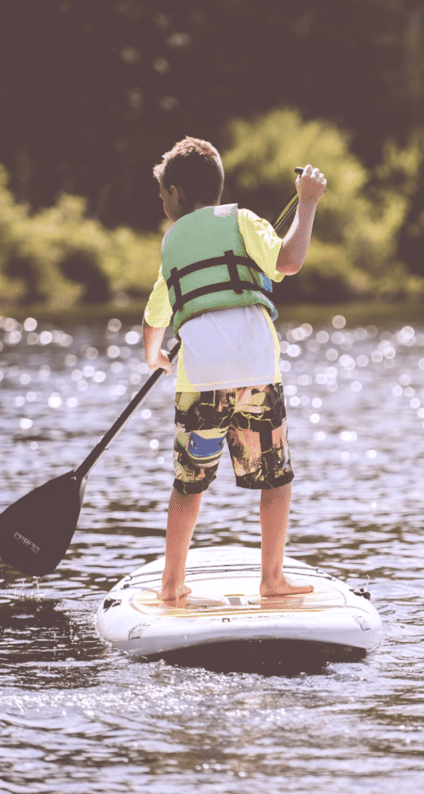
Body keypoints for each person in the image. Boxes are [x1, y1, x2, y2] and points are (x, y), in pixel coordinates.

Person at [142, 136, 326, 602]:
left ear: (178, 194)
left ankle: (171, 584)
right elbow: (290, 260)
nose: (162, 201)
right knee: (276, 479)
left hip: (200, 382)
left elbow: (155, 316)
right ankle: (272, 579)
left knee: (189, 485)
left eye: (164, 193)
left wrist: (154, 356)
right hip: (256, 376)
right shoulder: (243, 221)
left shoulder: (172, 243)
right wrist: (307, 204)